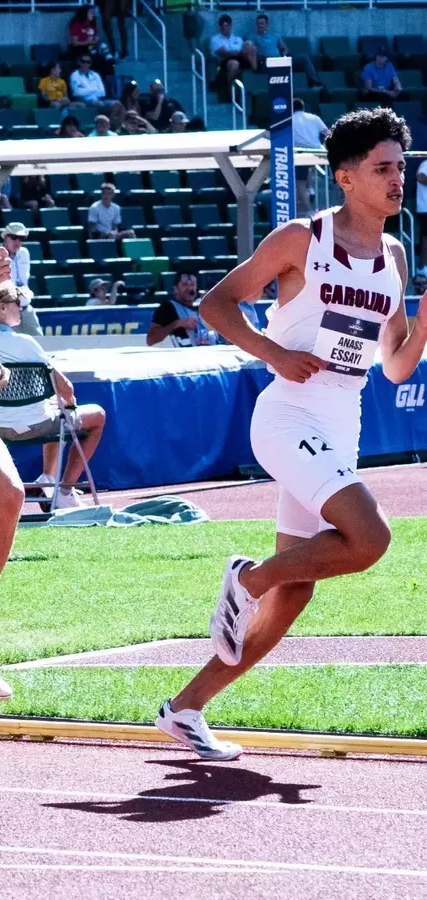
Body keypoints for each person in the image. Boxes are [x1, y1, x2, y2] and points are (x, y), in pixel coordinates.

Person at [160, 109, 424, 761]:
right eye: (382, 169)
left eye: (401, 168)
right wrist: (272, 353)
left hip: (344, 422)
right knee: (370, 539)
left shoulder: (394, 255)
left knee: (298, 590)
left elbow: (394, 366)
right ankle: (244, 580)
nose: (397, 180)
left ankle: (185, 707)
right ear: (346, 178)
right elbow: (215, 304)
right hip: (289, 414)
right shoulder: (301, 240)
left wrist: (423, 323)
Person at [0, 284, 105, 508]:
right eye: (16, 304)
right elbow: (65, 388)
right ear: (1, 307)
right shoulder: (27, 343)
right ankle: (65, 491)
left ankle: (48, 479)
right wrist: (68, 404)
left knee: (55, 412)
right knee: (95, 416)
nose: (20, 309)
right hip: (37, 424)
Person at [147, 272, 210, 346]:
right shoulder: (168, 308)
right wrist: (176, 324)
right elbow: (150, 339)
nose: (189, 288)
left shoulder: (201, 308)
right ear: (176, 289)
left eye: (192, 284)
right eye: (185, 284)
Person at [293, 99, 330, 218]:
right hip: (317, 151)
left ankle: (310, 210)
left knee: (299, 181)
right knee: (308, 169)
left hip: (300, 153)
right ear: (303, 107)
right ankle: (311, 190)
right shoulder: (314, 117)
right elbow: (327, 132)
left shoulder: (288, 120)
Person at [210, 16, 256, 89]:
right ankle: (228, 86)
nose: (224, 28)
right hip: (224, 61)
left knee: (252, 47)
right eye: (222, 26)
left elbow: (245, 50)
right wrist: (240, 52)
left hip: (240, 58)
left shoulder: (237, 39)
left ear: (230, 26)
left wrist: (244, 51)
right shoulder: (215, 39)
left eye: (226, 26)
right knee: (235, 63)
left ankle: (256, 74)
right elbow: (223, 53)